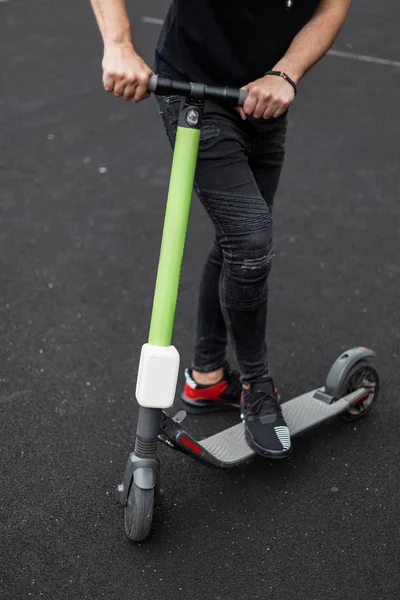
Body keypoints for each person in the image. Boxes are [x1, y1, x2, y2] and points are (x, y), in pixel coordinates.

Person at [90, 0, 351, 458]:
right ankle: (256, 382)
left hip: (264, 97)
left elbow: (329, 8)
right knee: (250, 241)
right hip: (194, 89)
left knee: (239, 240)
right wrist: (118, 44)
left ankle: (207, 378)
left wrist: (285, 73)